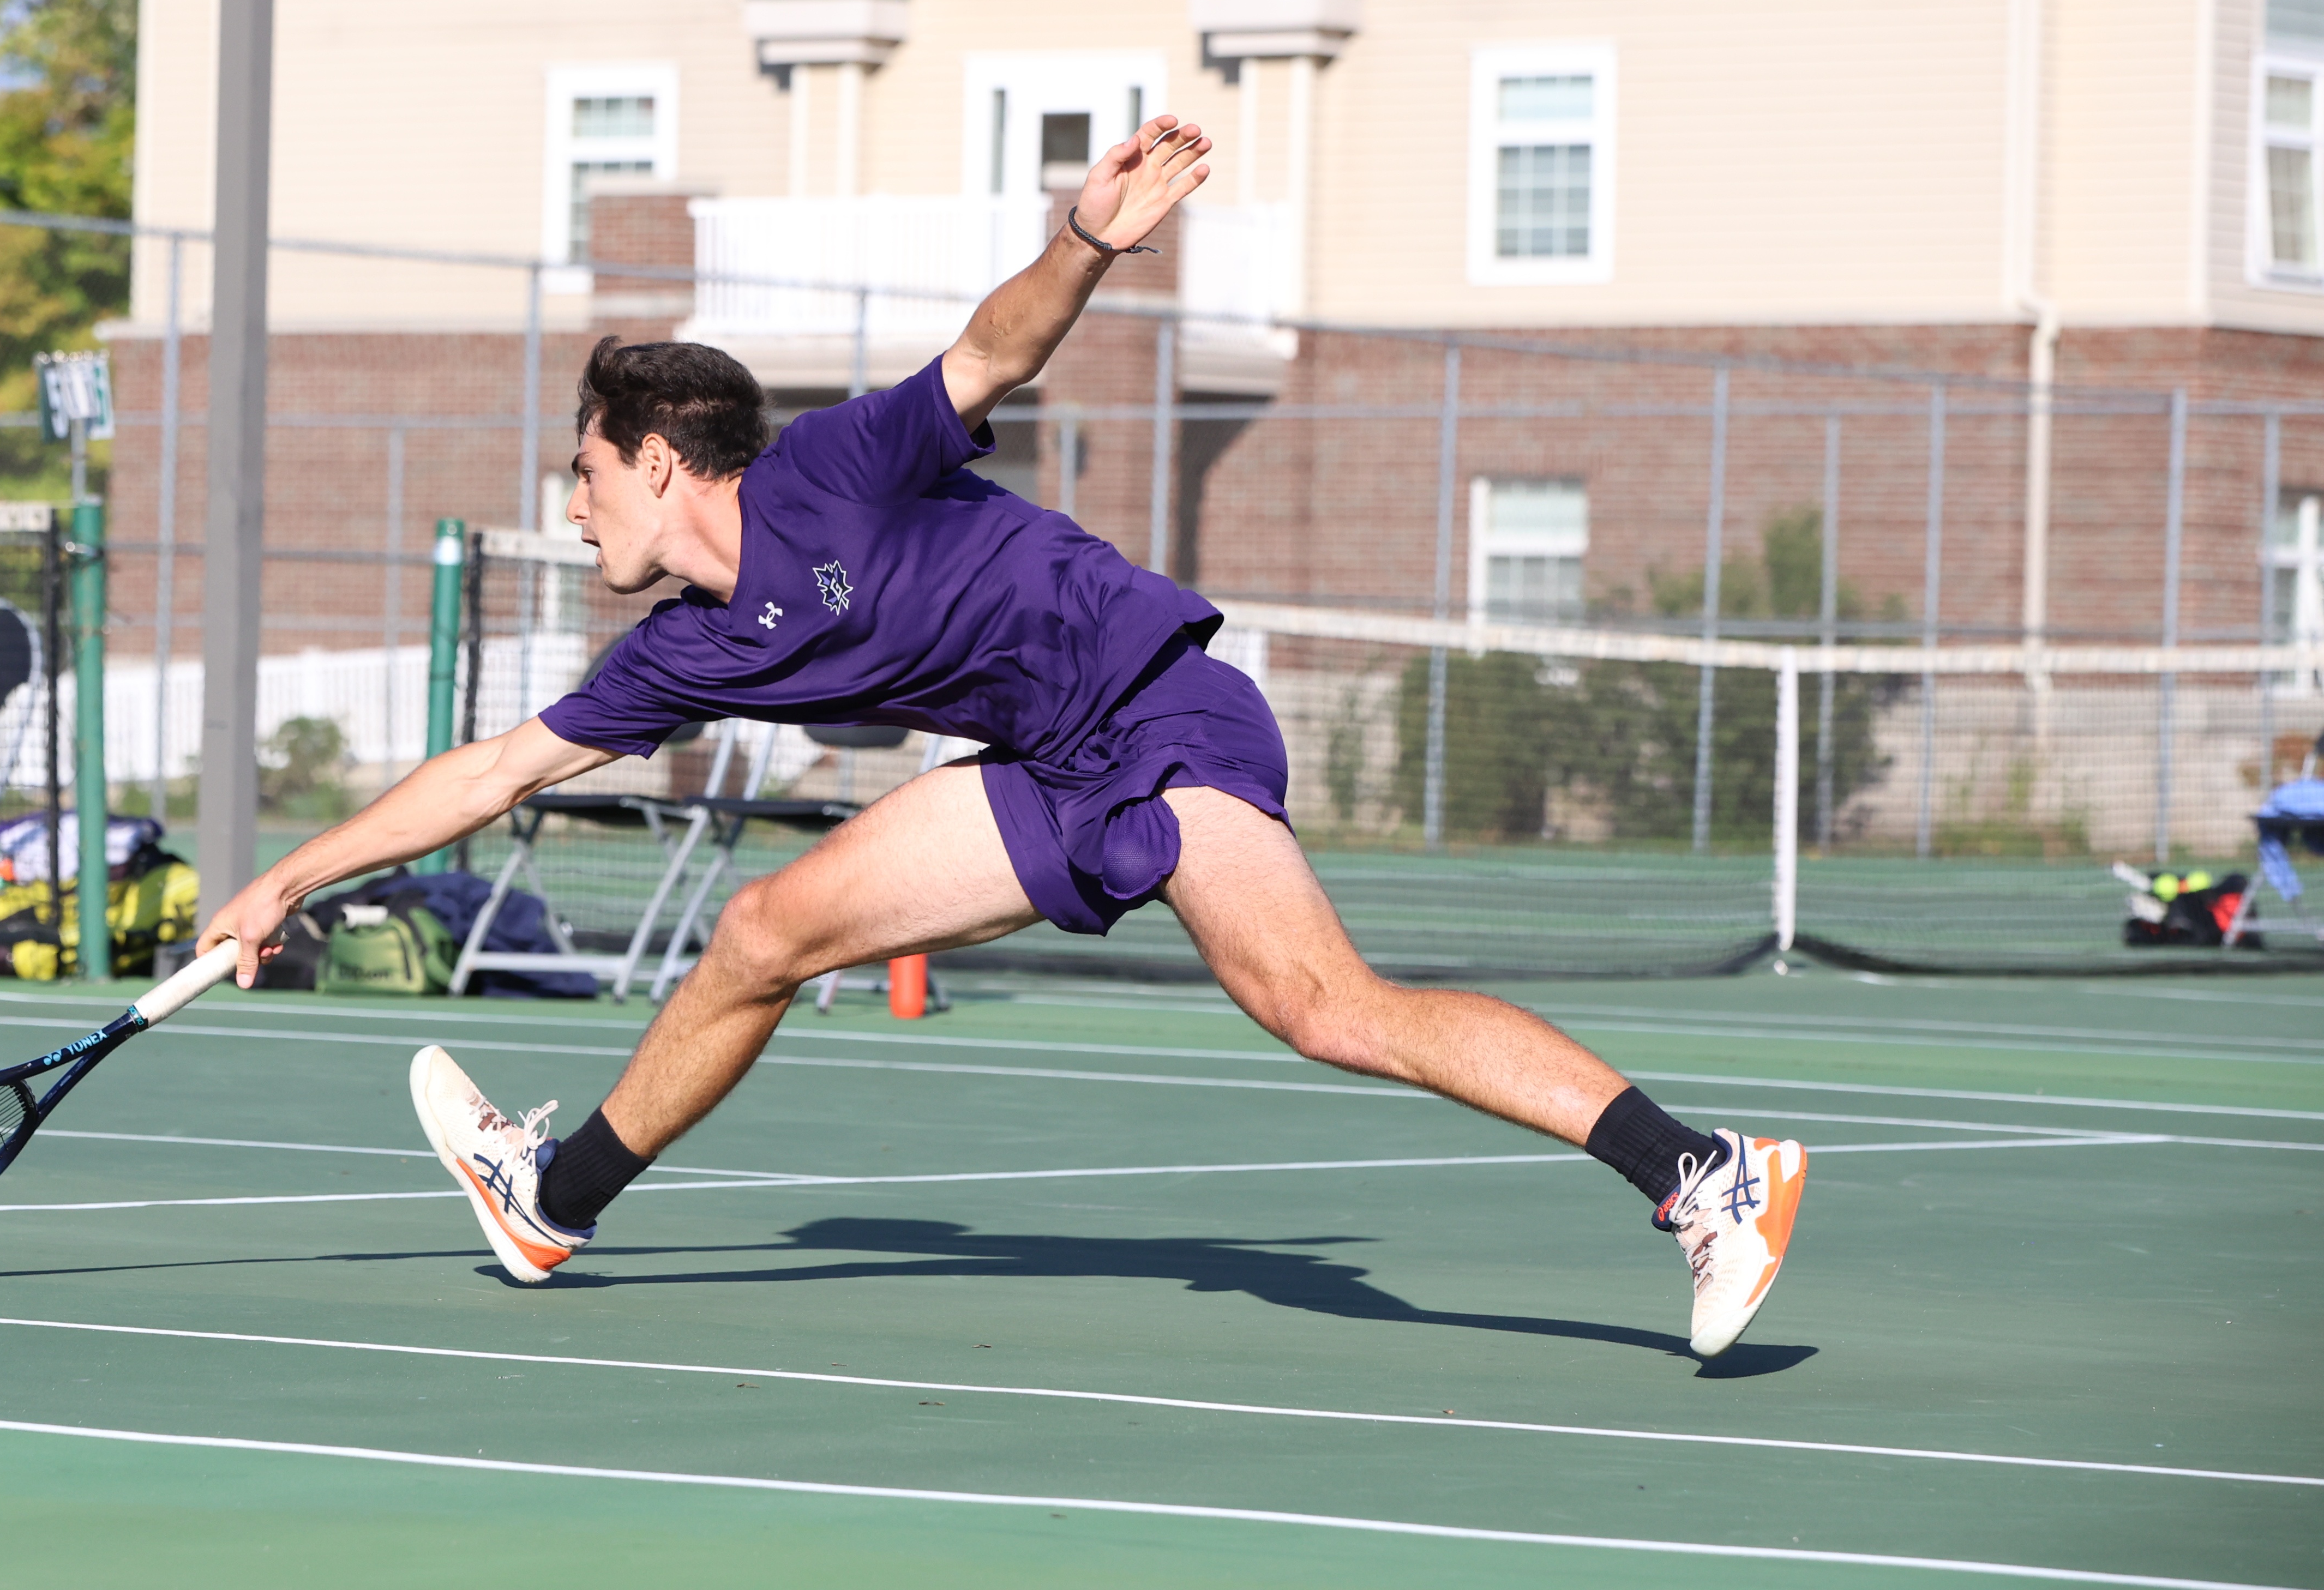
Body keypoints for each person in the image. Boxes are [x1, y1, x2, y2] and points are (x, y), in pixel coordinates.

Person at [207, 117, 1809, 1361]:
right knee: (761, 928)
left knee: (1324, 1008)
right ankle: (549, 1203)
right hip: (1041, 768)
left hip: (1157, 709)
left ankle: (1703, 1172)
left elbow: (991, 352)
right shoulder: (682, 647)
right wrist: (288, 876)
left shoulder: (829, 467)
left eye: (584, 472)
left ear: (660, 463)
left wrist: (1079, 241)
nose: (568, 506)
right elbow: (490, 770)